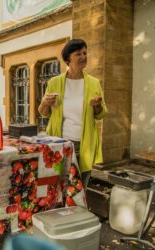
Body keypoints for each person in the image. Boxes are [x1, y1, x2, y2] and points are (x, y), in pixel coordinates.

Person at [38, 39, 107, 188]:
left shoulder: (94, 83)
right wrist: (45, 102)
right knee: (57, 185)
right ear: (68, 59)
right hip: (60, 143)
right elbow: (44, 113)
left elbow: (101, 114)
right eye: (78, 54)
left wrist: (97, 106)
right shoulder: (54, 82)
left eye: (85, 53)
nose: (83, 56)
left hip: (84, 144)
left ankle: (79, 211)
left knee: (80, 187)